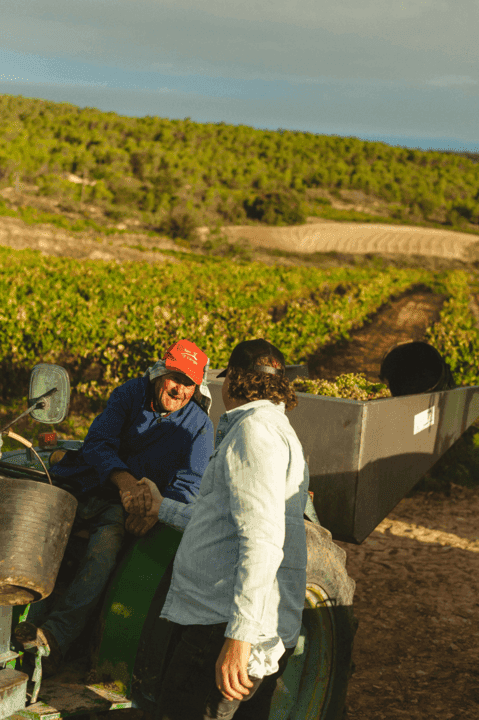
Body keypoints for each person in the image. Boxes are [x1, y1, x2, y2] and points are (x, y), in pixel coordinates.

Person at [123, 338, 309, 720]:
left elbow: (262, 541)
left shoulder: (254, 433)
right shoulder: (272, 428)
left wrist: (239, 637)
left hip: (220, 625)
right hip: (227, 621)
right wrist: (163, 507)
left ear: (234, 380)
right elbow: (224, 522)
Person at [15, 339, 214, 678]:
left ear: (196, 387)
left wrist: (153, 515)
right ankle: (20, 622)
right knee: (36, 533)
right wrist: (125, 482)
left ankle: (54, 638)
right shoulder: (130, 393)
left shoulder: (199, 426)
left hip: (128, 509)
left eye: (188, 383)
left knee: (103, 550)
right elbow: (98, 443)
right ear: (161, 372)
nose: (179, 389)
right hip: (85, 485)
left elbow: (189, 485)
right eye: (175, 378)